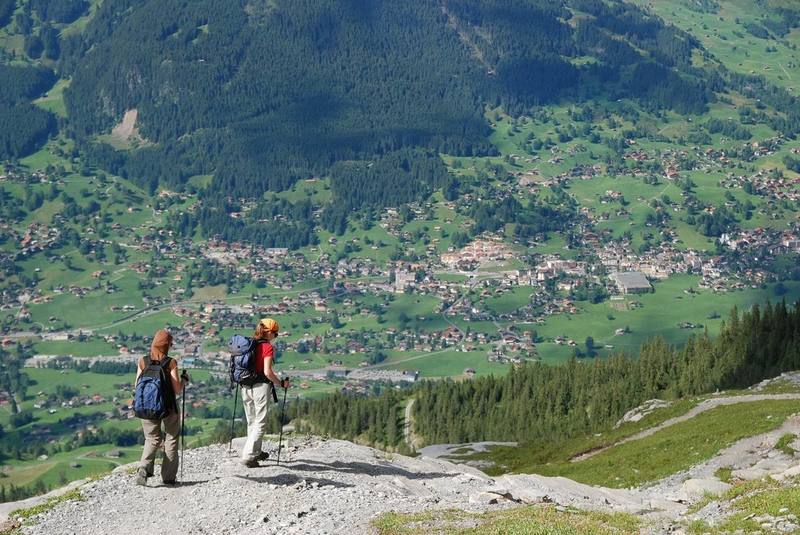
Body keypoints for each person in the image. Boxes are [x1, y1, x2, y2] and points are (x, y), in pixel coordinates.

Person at [134, 329, 189, 485]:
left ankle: (144, 468)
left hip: (146, 406)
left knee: (151, 438)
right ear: (167, 345)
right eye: (170, 343)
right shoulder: (170, 362)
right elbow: (177, 389)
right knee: (171, 438)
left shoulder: (143, 361)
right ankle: (169, 477)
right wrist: (184, 380)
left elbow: (137, 384)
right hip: (168, 407)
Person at [240, 318, 289, 467]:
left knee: (252, 420)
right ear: (269, 333)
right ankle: (248, 456)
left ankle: (256, 452)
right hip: (260, 387)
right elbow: (267, 372)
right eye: (275, 333)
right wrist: (280, 383)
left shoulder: (248, 344)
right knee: (260, 422)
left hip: (245, 386)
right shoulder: (267, 347)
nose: (276, 336)